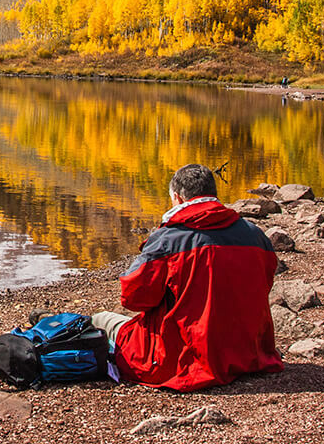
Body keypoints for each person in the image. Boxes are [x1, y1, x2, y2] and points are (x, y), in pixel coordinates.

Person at [91, 164, 283, 391]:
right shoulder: (254, 234)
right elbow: (265, 282)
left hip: (184, 359)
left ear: (178, 198)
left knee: (101, 319)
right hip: (250, 352)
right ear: (213, 194)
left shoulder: (167, 239)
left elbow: (133, 299)